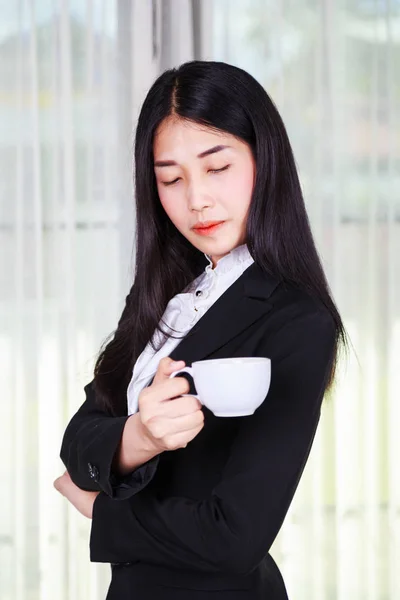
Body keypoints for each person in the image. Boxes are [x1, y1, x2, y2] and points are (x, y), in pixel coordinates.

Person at [54, 60, 347, 599]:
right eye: (171, 178)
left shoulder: (298, 319)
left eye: (217, 168)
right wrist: (138, 436)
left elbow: (236, 537)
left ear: (266, 160)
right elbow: (78, 440)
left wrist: (103, 512)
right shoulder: (163, 295)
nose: (196, 200)